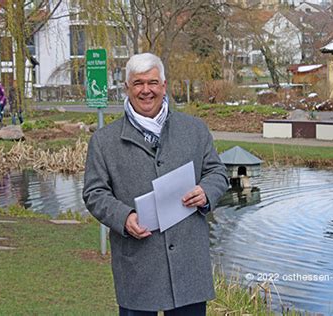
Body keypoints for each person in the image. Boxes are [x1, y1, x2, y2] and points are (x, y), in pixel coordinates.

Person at [83, 53, 229, 315]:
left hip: (189, 266)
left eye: (152, 82)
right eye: (138, 83)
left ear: (164, 85)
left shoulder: (194, 129)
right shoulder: (104, 141)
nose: (146, 90)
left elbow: (217, 172)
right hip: (138, 266)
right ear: (127, 88)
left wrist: (206, 191)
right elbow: (94, 192)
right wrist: (124, 217)